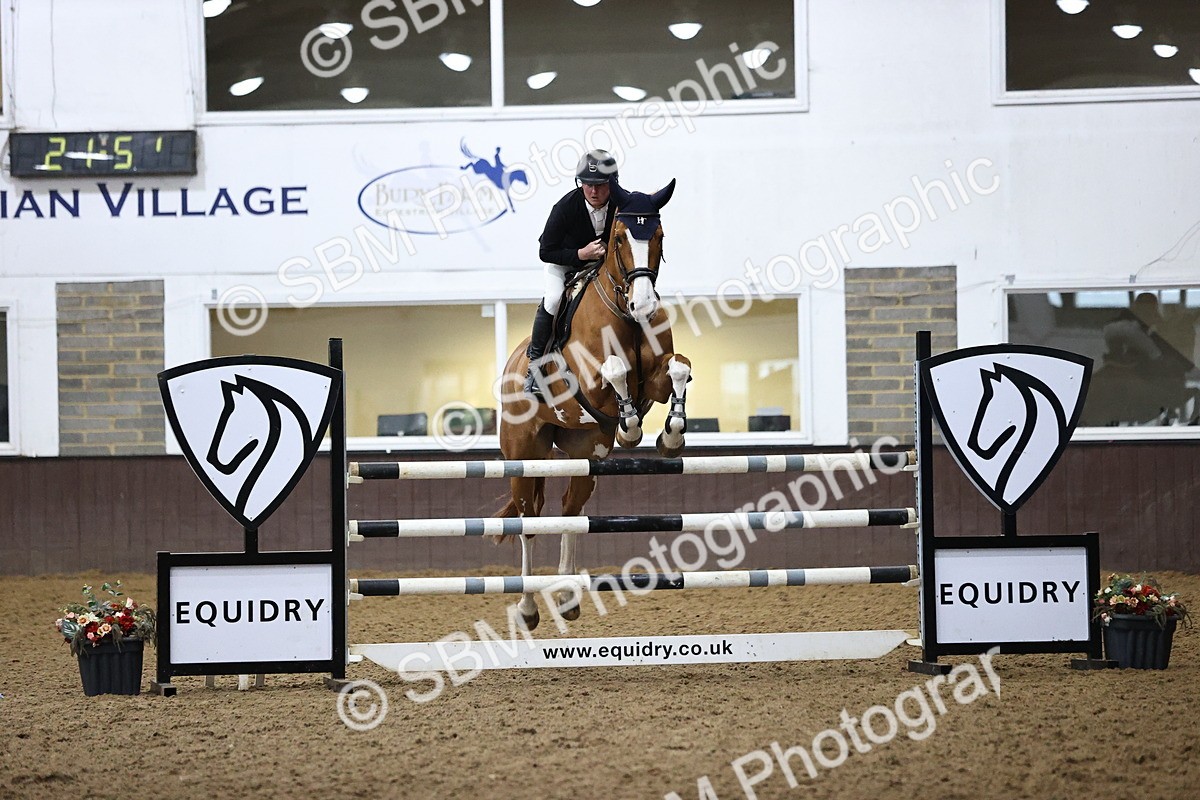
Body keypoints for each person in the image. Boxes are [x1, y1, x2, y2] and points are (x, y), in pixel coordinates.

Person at [523, 149, 618, 398]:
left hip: (602, 265)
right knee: (554, 299)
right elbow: (546, 252)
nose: (593, 192)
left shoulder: (622, 202)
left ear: (612, 183)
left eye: (600, 185)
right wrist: (580, 254)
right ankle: (535, 367)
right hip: (564, 262)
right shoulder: (565, 207)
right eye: (587, 185)